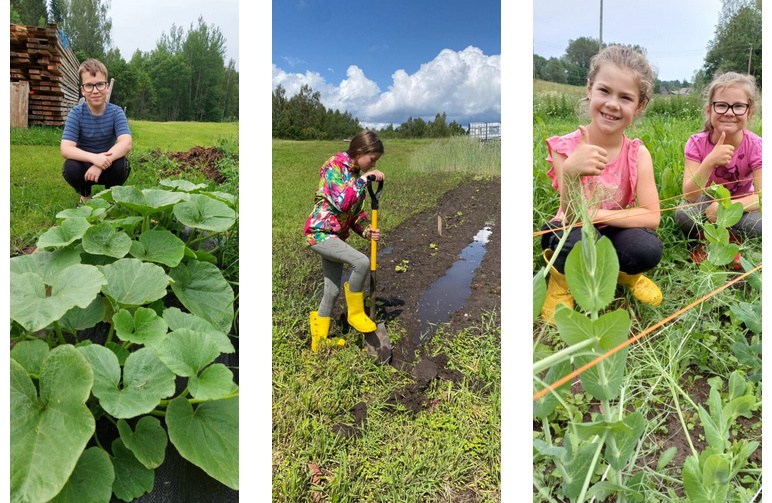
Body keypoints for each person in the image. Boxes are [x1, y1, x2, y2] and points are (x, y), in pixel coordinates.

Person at [539, 46, 663, 326]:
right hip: (573, 229)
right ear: (590, 88)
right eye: (604, 91)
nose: (612, 104)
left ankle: (626, 276)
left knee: (647, 248)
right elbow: (571, 216)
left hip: (613, 230)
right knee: (569, 238)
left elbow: (652, 216)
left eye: (626, 97)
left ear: (639, 105)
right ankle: (561, 283)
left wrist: (598, 216)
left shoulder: (637, 153)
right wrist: (571, 171)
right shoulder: (566, 148)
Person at [304, 130, 385, 351]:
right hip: (320, 233)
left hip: (335, 236)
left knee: (331, 290)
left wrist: (367, 231)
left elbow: (354, 213)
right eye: (373, 159)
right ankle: (356, 313)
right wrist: (361, 181)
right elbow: (341, 202)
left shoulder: (356, 174)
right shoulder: (333, 167)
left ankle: (319, 342)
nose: (373, 164)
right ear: (360, 152)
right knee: (361, 262)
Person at [674, 71, 761, 261]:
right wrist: (710, 161)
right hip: (703, 203)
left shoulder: (756, 146)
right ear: (709, 110)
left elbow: (762, 197)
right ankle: (709, 238)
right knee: (683, 215)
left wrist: (725, 206)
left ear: (749, 111)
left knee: (761, 223)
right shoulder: (696, 143)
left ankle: (723, 240)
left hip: (741, 205)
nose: (729, 112)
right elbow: (689, 195)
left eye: (738, 106)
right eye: (721, 105)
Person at [61, 59, 132, 205]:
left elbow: (126, 143)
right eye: (88, 85)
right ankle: (85, 195)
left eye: (99, 84)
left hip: (109, 164)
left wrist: (100, 163)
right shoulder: (76, 113)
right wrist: (94, 158)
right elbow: (66, 148)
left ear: (106, 87)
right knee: (70, 167)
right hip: (84, 165)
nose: (94, 90)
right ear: (82, 90)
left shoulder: (116, 112)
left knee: (122, 165)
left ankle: (111, 196)